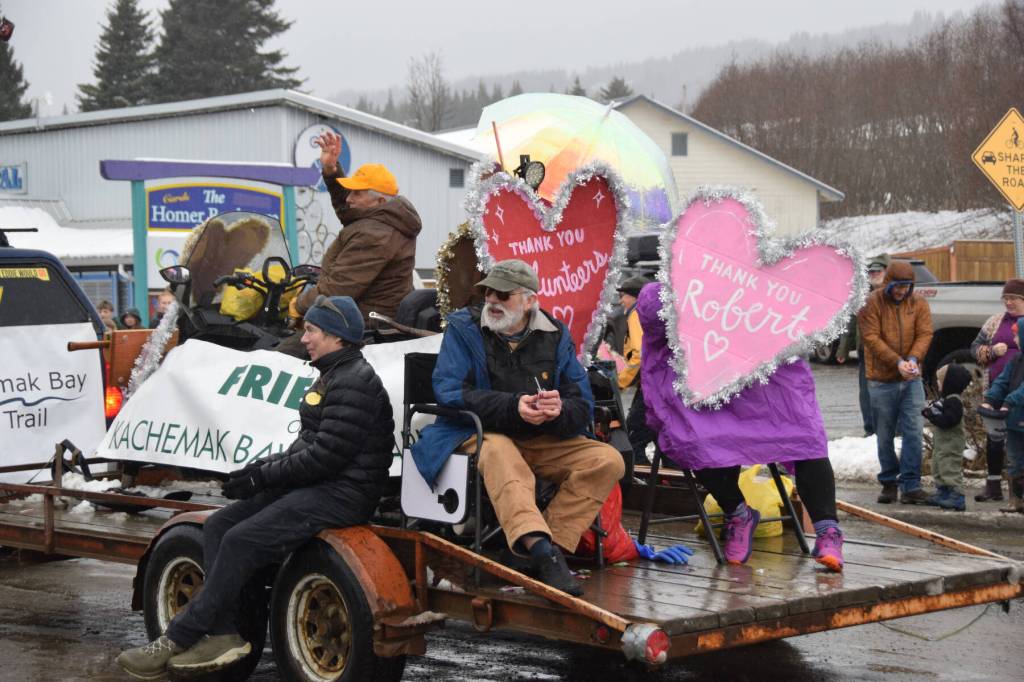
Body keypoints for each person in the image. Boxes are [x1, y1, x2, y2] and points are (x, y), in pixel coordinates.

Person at [116, 295, 395, 679]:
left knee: (240, 540)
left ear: (337, 336)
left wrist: (264, 478)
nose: (305, 337)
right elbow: (307, 448)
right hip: (321, 485)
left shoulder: (354, 383)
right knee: (217, 526)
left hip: (342, 495)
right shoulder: (334, 375)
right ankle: (224, 634)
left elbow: (326, 458)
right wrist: (254, 471)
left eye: (312, 330)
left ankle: (177, 637)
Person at [411, 259, 624, 596]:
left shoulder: (554, 333)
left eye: (504, 295)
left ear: (528, 300)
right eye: (489, 292)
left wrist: (559, 409)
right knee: (501, 453)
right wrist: (513, 407)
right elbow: (449, 393)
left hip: (540, 437)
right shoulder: (464, 328)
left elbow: (580, 402)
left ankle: (543, 550)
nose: (493, 300)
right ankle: (542, 552)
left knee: (608, 460)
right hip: (473, 432)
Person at [636, 282, 846, 572]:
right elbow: (649, 312)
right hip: (706, 396)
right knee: (697, 440)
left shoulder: (762, 279)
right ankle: (737, 512)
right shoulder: (671, 281)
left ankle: (828, 531)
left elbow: (796, 312)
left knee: (805, 437)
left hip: (761, 388)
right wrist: (695, 300)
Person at [292, 131, 421, 326]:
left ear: (379, 200)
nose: (349, 198)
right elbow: (349, 210)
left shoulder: (376, 235)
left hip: (364, 323)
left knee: (282, 354)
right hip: (361, 315)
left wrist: (298, 305)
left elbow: (339, 288)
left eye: (357, 193)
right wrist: (331, 170)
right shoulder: (383, 217)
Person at [859, 260, 933, 504]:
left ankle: (911, 484)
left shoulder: (919, 303)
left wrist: (913, 359)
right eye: (898, 286)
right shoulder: (872, 303)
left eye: (906, 286)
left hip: (912, 378)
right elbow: (871, 337)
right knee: (885, 433)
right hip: (881, 380)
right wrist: (897, 362)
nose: (902, 291)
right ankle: (889, 481)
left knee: (913, 431)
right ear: (889, 283)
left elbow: (924, 333)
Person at [970, 278, 1024, 501]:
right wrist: (991, 352)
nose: (1008, 303)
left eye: (1014, 298)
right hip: (996, 390)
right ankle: (993, 486)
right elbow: (974, 348)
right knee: (995, 438)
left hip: (1019, 398)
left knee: (1016, 444)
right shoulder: (995, 321)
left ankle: (1017, 494)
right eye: (1006, 298)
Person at [836, 253, 890, 436]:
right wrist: (843, 349)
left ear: (885, 271)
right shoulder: (860, 294)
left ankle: (887, 427)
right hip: (864, 350)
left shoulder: (892, 292)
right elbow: (850, 322)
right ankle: (870, 428)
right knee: (866, 392)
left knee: (886, 391)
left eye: (877, 271)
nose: (874, 274)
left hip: (887, 351)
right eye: (871, 271)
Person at [981, 319, 1024, 514]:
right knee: (1014, 460)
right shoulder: (1016, 360)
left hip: (1015, 410)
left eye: (1016, 335)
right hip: (1015, 420)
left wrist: (1008, 401)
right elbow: (1002, 381)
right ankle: (1016, 500)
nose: (1014, 339)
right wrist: (990, 398)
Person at [922, 363, 972, 511]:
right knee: (939, 466)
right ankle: (943, 492)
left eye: (940, 381)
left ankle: (957, 496)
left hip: (951, 444)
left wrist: (932, 416)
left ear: (949, 383)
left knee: (949, 468)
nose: (937, 384)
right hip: (943, 444)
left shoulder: (954, 401)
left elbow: (948, 421)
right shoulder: (948, 400)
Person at [617, 275, 655, 465]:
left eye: (623, 295)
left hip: (649, 387)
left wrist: (620, 381)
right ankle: (674, 484)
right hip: (657, 385)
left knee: (634, 435)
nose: (621, 300)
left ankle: (643, 483)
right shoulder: (651, 313)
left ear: (635, 297)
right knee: (661, 439)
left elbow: (640, 353)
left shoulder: (636, 314)